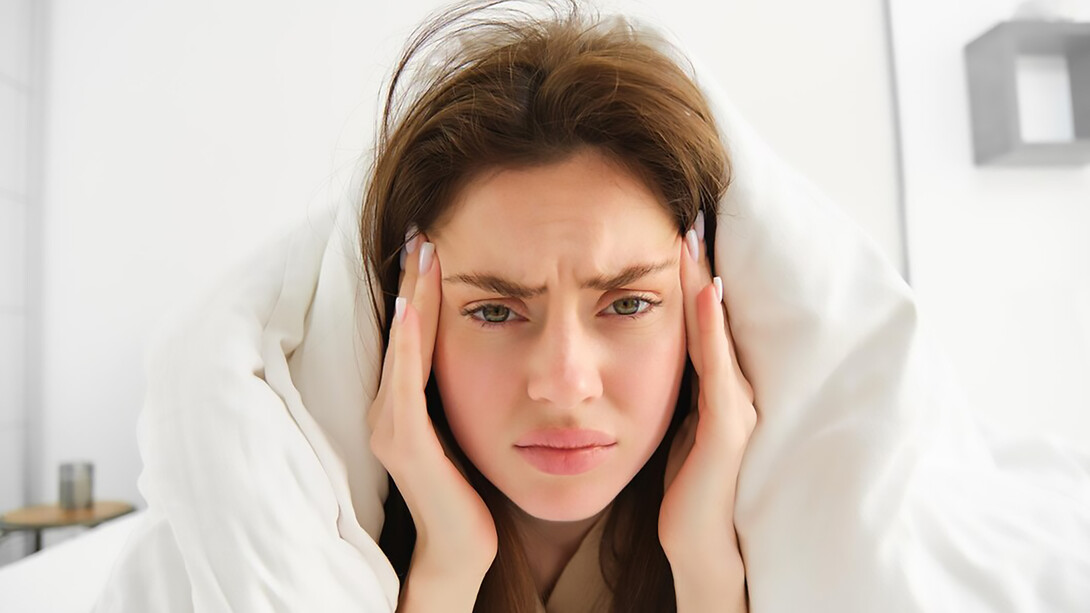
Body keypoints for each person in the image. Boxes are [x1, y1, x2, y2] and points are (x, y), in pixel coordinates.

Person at [361, 1, 757, 611]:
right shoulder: (326, 541)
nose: (566, 384)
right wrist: (446, 568)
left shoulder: (785, 532)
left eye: (628, 304)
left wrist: (705, 561)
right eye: (495, 311)